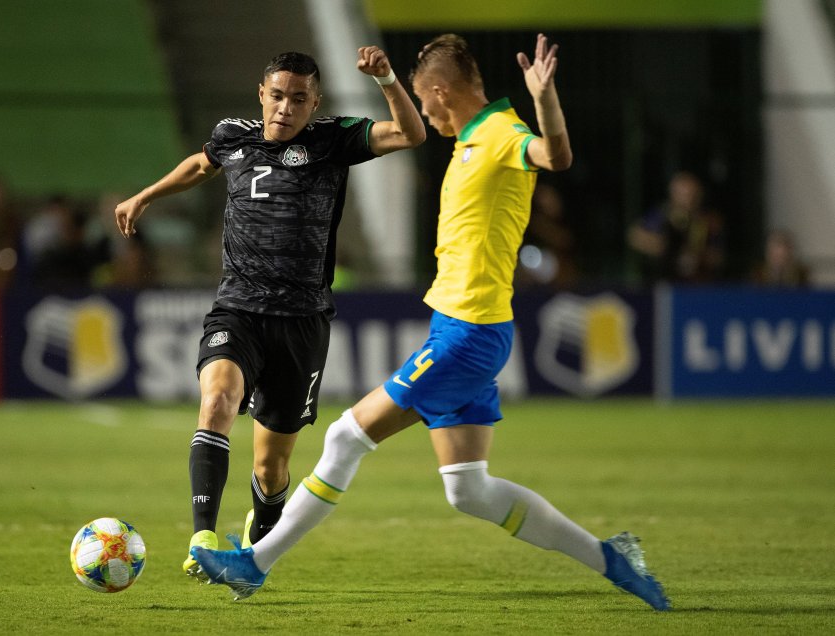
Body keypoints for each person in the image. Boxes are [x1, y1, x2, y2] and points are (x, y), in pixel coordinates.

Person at [192, 33, 670, 611]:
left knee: (346, 437)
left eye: (424, 100)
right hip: (464, 329)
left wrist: (545, 99)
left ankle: (253, 564)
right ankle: (614, 559)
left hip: (469, 335)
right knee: (469, 489)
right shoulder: (472, 138)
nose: (424, 114)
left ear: (441, 92)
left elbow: (555, 156)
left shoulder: (499, 133)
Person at [114, 47, 425, 583]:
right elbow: (201, 164)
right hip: (237, 309)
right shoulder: (234, 134)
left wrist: (388, 80)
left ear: (315, 102)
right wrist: (147, 194)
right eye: (277, 96)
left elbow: (410, 134)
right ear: (262, 95)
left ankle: (255, 551)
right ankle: (202, 538)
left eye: (298, 99)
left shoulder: (334, 140)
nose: (285, 108)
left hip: (302, 322)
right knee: (215, 403)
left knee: (271, 466)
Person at [627, 170, 724, 284]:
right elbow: (635, 236)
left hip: (699, 284)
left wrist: (698, 257)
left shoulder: (709, 221)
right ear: (672, 194)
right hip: (666, 283)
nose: (688, 200)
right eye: (682, 195)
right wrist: (668, 249)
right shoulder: (662, 215)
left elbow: (718, 256)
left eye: (692, 195)